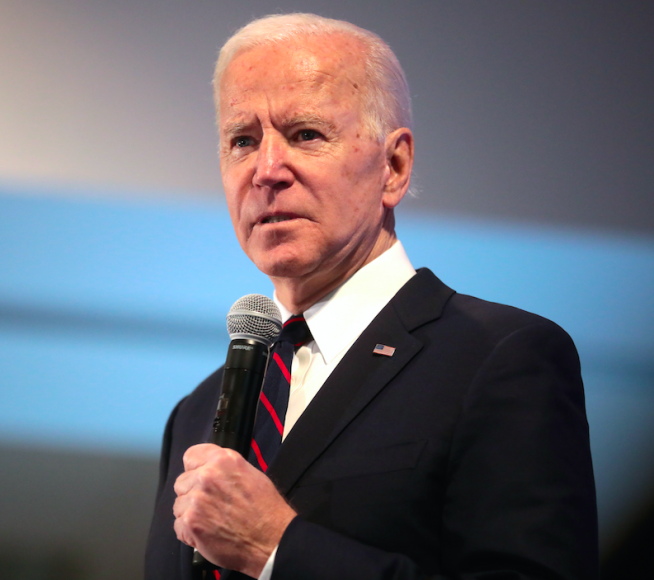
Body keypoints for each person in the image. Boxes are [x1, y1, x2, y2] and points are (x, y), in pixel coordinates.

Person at [145, 13, 597, 580]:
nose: (266, 170)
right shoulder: (193, 413)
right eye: (242, 140)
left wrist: (279, 550)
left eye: (306, 134)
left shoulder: (500, 358)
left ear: (394, 166)